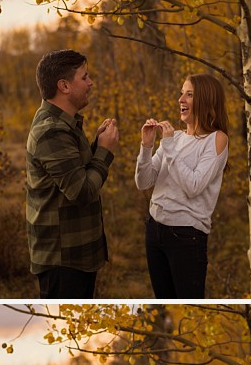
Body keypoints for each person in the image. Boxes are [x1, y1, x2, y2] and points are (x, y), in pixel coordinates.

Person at [26, 49, 119, 298]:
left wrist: (95, 147)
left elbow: (71, 172)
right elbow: (81, 191)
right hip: (63, 261)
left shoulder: (65, 123)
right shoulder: (51, 131)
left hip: (76, 256)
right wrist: (105, 152)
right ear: (64, 86)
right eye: (85, 77)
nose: (91, 83)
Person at [135, 73, 230, 298]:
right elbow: (143, 182)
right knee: (163, 300)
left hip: (187, 236)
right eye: (181, 93)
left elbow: (194, 185)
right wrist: (146, 147)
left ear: (205, 101)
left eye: (189, 94)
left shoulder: (216, 139)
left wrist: (168, 147)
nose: (181, 99)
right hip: (154, 230)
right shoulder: (175, 138)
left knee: (187, 303)